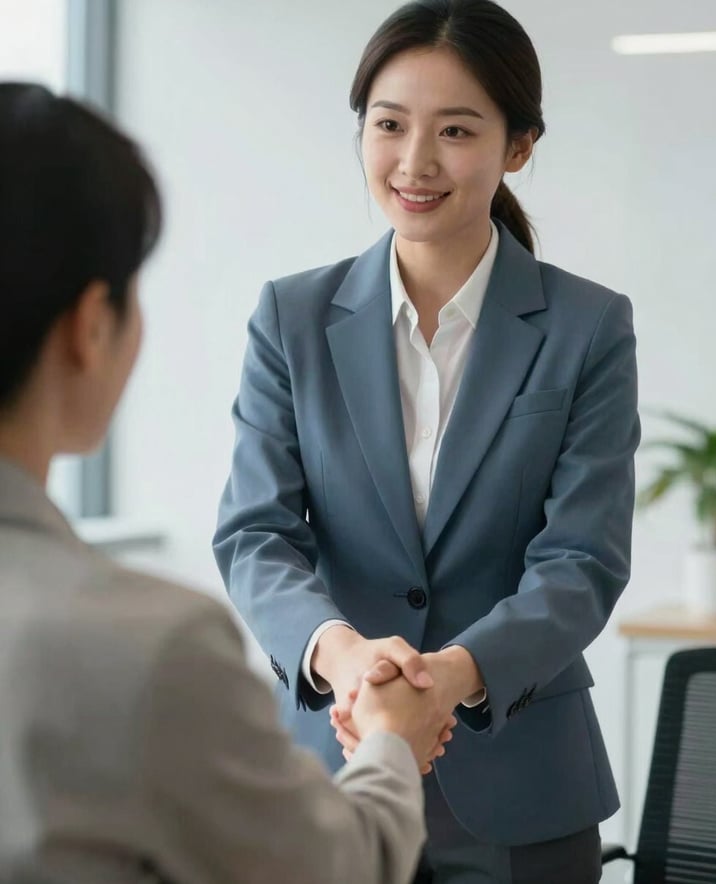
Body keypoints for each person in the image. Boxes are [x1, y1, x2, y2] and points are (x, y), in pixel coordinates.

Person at [214, 0, 640, 881]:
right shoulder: (291, 319)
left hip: (523, 785)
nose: (414, 162)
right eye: (389, 125)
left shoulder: (588, 326)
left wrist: (452, 675)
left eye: (454, 130)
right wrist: (346, 657)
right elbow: (255, 535)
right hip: (327, 771)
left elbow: (581, 561)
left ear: (518, 146)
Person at [0, 82, 455, 884]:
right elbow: (339, 869)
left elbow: (580, 558)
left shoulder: (587, 324)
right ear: (90, 325)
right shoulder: (149, 647)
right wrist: (388, 733)